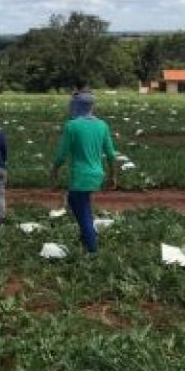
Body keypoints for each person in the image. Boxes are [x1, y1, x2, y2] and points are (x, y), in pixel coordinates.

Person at [51, 92, 118, 255]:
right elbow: (111, 154)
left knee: (78, 206)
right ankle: (85, 238)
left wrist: (54, 170)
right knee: (83, 205)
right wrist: (113, 176)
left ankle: (92, 248)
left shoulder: (72, 126)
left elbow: (61, 154)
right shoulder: (102, 125)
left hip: (80, 176)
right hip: (97, 174)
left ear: (76, 106)